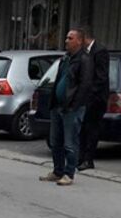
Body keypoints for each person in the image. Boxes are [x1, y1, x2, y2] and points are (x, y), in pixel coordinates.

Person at [40, 27, 93, 187]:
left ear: (79, 41)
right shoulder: (65, 58)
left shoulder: (84, 60)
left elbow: (85, 85)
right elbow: (59, 79)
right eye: (66, 38)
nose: (66, 41)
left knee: (70, 142)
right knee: (56, 140)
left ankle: (69, 173)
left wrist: (74, 104)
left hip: (72, 108)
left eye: (70, 38)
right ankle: (57, 171)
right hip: (58, 106)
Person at [78, 27, 109, 171]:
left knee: (91, 128)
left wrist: (90, 95)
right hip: (86, 97)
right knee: (83, 128)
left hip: (96, 99)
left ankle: (88, 159)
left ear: (84, 39)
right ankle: (81, 157)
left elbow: (101, 78)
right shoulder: (85, 52)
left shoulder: (100, 51)